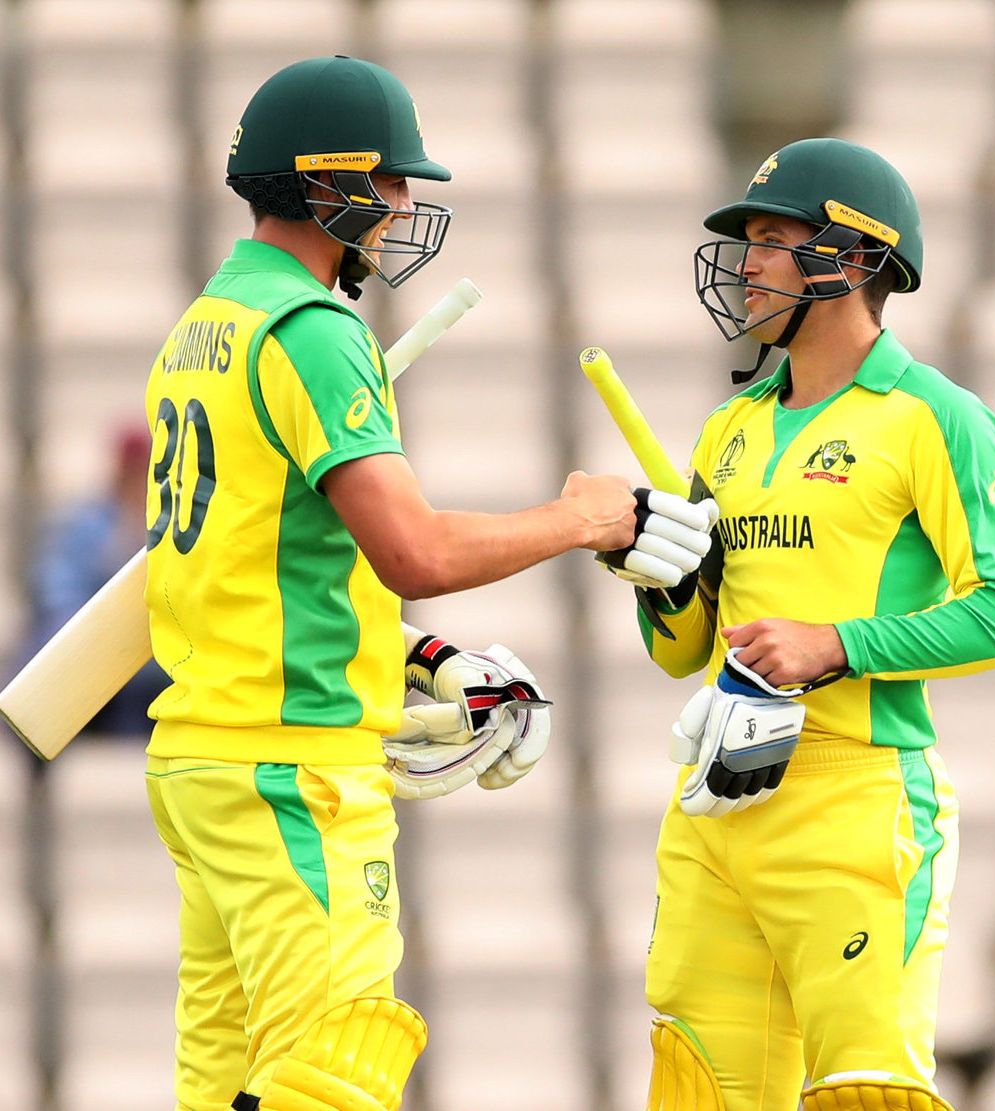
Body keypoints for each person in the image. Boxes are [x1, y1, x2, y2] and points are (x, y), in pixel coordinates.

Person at [140, 56, 716, 1111]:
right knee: (328, 1083)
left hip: (204, 762)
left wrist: (426, 657)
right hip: (295, 767)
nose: (403, 204)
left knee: (227, 1090)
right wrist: (589, 516)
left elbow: (260, 568)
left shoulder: (205, 325)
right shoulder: (313, 332)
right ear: (326, 181)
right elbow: (417, 555)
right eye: (389, 180)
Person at [621, 138, 995, 1111]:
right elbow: (682, 651)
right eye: (745, 240)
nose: (746, 263)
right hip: (716, 802)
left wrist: (836, 643)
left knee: (865, 1095)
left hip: (857, 801)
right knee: (698, 1093)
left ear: (852, 258)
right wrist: (652, 575)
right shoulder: (728, 426)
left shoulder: (934, 415)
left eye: (771, 239)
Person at [23, 424, 166, 735]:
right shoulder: (89, 522)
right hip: (100, 642)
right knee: (42, 650)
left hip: (155, 650)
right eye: (131, 472)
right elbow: (58, 586)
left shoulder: (170, 524)